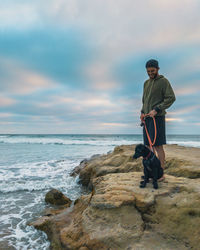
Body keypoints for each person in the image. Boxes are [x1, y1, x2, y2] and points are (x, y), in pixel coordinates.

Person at [140, 59, 176, 180]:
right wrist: (142, 112)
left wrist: (157, 109)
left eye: (152, 70)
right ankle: (151, 173)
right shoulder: (146, 83)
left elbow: (171, 98)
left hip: (158, 118)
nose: (150, 73)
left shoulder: (164, 82)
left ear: (158, 69)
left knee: (158, 146)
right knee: (148, 147)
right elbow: (144, 101)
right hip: (147, 119)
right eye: (148, 71)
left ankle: (160, 174)